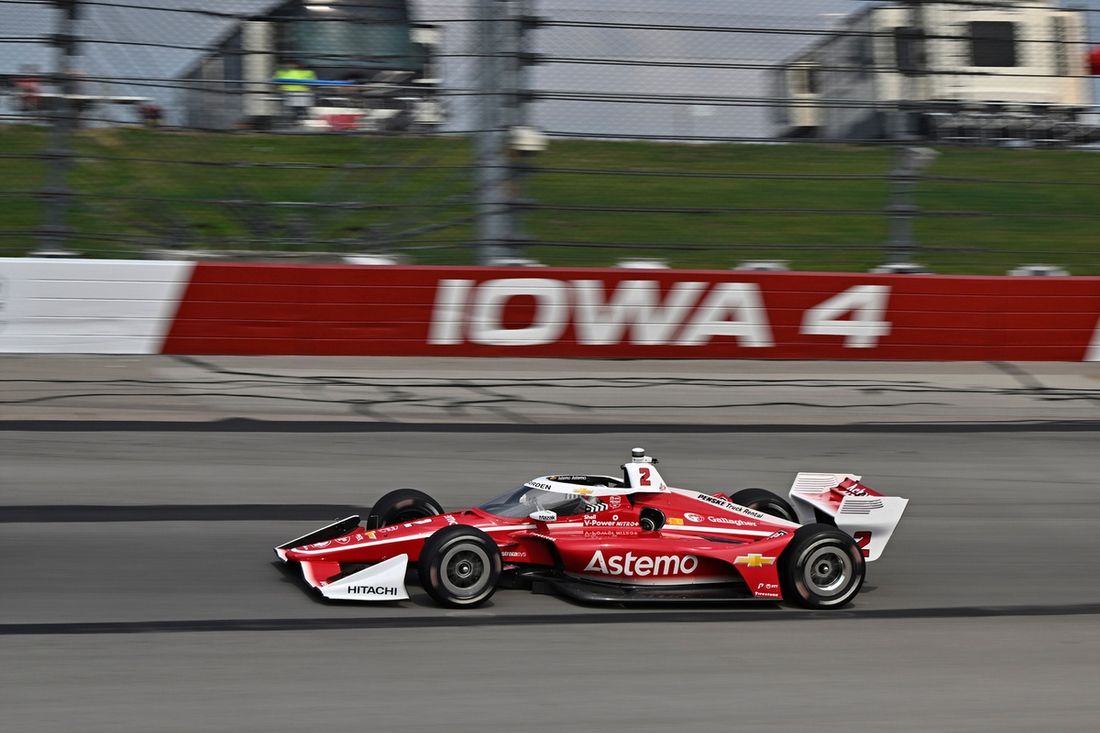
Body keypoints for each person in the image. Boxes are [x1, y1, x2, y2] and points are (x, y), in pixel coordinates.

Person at [272, 59, 317, 124]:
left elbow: (313, 84)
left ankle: (299, 119)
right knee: (289, 109)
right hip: (286, 93)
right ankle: (292, 120)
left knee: (299, 108)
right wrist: (279, 90)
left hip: (302, 94)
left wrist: (309, 90)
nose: (289, 65)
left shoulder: (308, 72)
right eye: (287, 64)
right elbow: (275, 83)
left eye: (291, 64)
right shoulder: (280, 72)